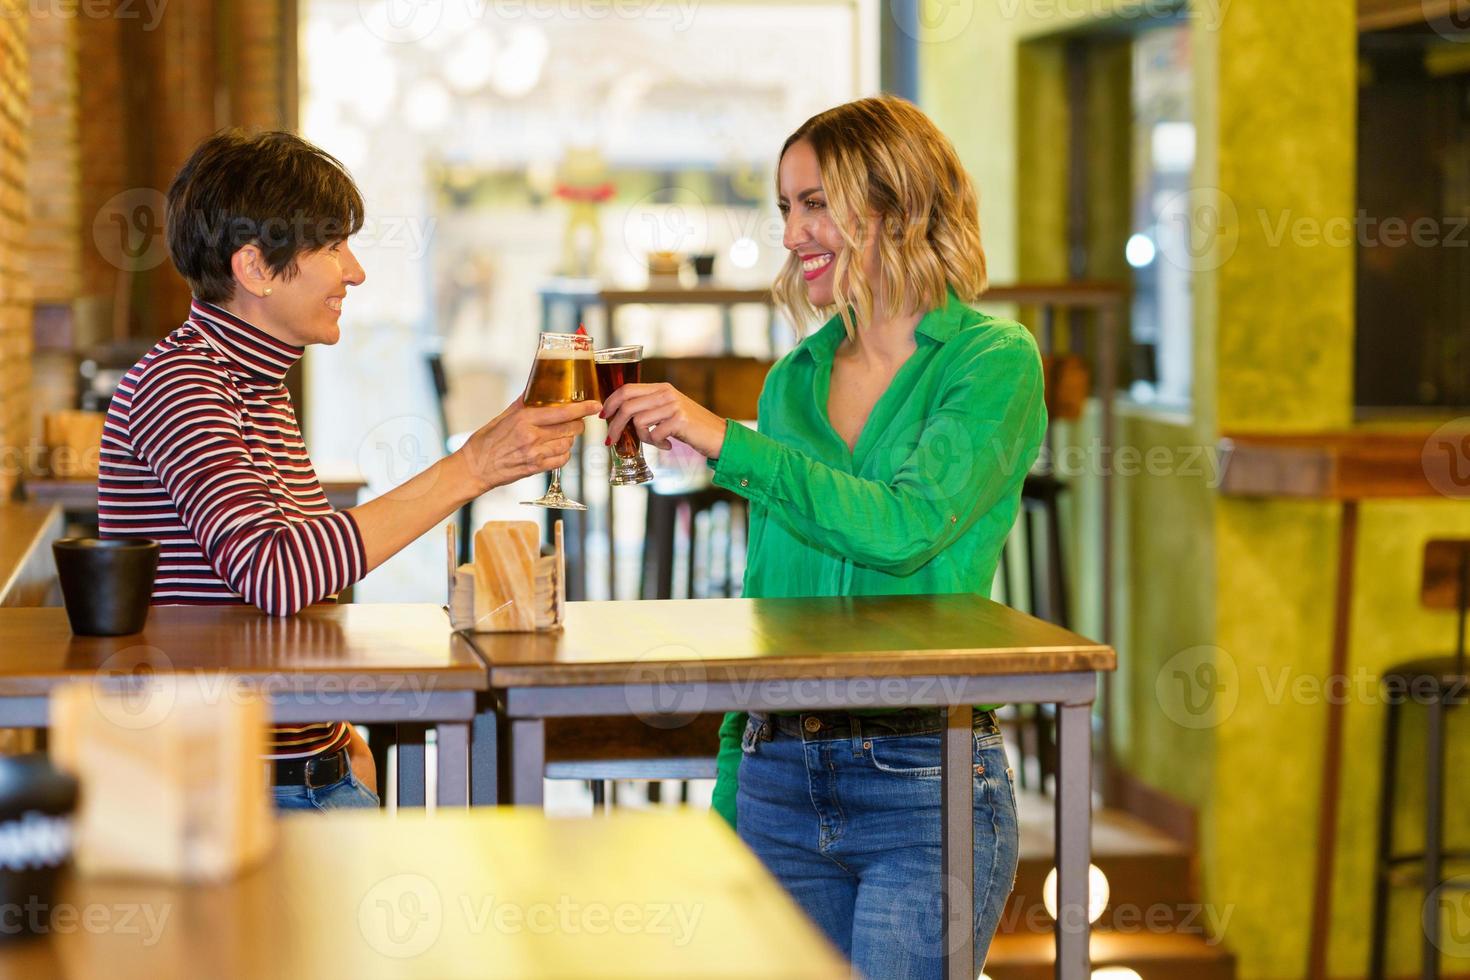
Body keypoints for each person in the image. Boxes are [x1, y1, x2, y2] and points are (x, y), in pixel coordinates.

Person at [600, 96, 1045, 978]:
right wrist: (729, 797)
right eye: (785, 208)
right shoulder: (792, 383)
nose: (793, 233)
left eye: (814, 204)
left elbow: (906, 531)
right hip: (779, 771)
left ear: (894, 208)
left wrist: (728, 443)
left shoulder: (992, 363)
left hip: (925, 771)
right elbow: (768, 604)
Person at [98, 130, 599, 812]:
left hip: (297, 769)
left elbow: (286, 605)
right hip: (224, 796)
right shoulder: (182, 384)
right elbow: (276, 573)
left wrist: (333, 736)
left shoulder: (255, 384)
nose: (354, 272)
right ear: (255, 268)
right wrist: (471, 467)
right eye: (331, 246)